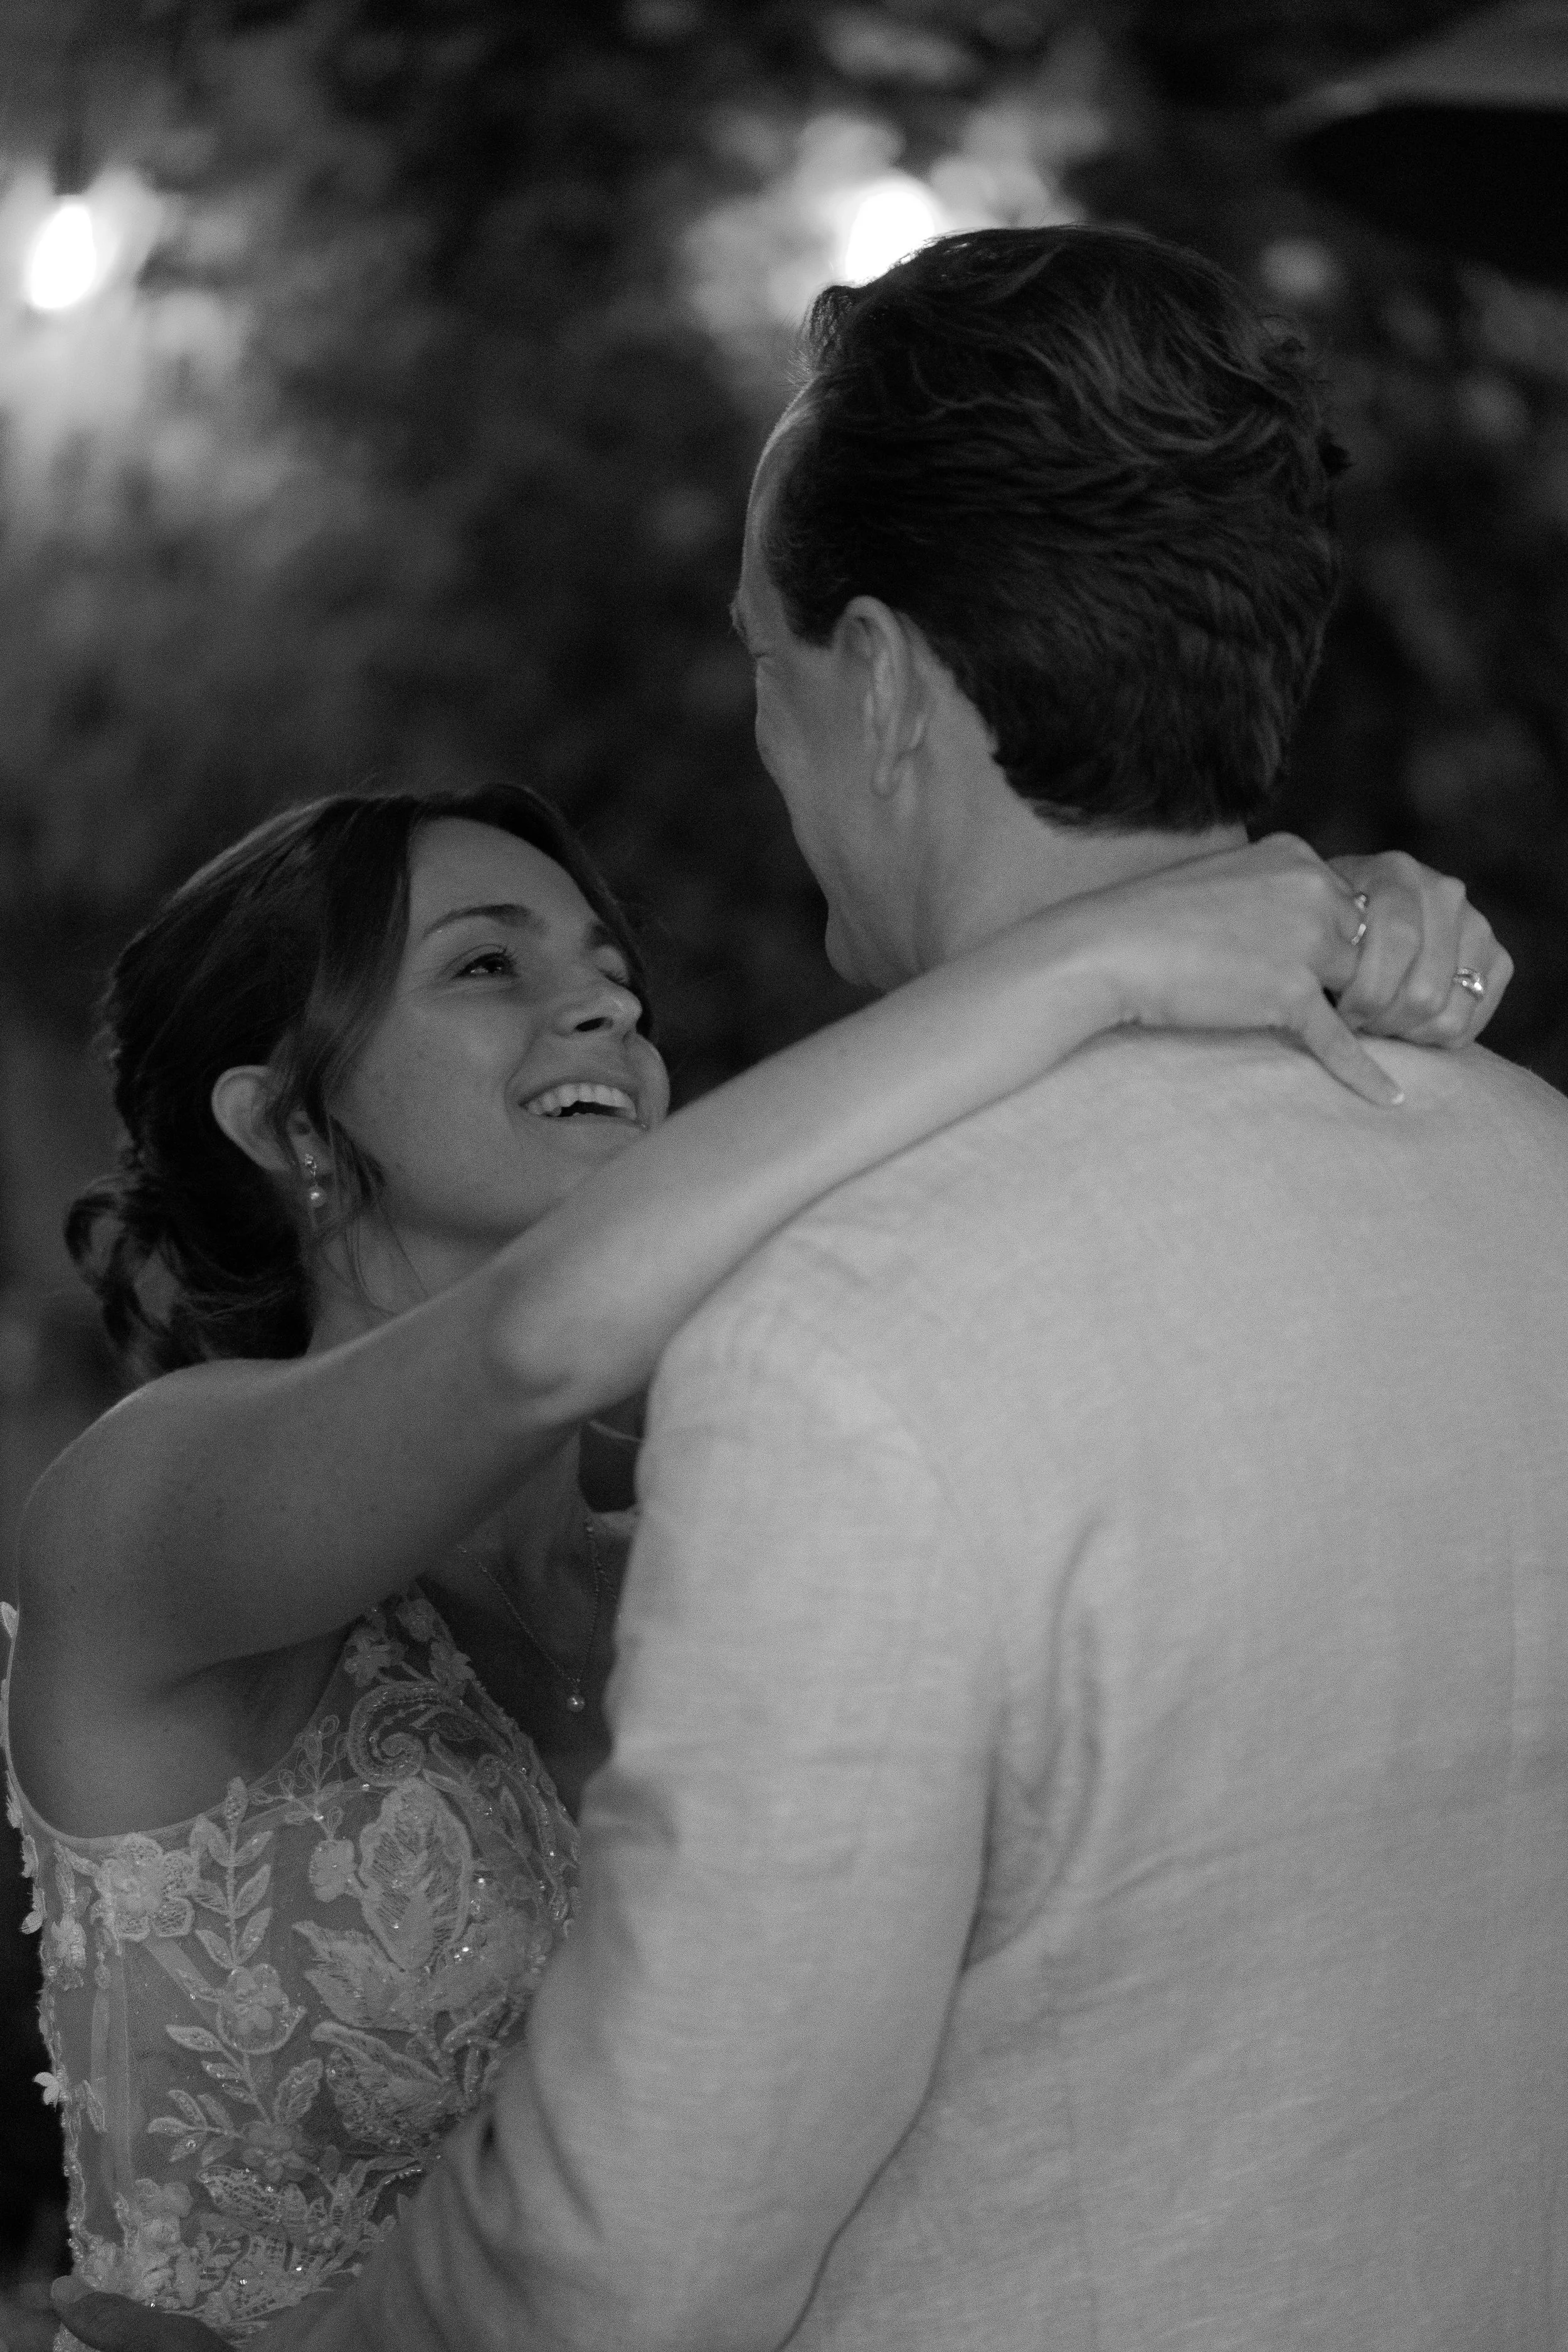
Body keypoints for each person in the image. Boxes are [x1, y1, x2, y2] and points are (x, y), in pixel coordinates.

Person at [36, 223, 1551, 2352]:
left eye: (613, 970)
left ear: (886, 687)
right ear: (291, 1122)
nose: (605, 1012)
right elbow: (542, 1328)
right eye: (488, 968)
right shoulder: (157, 1496)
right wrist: (1130, 945)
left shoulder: (758, 1440)